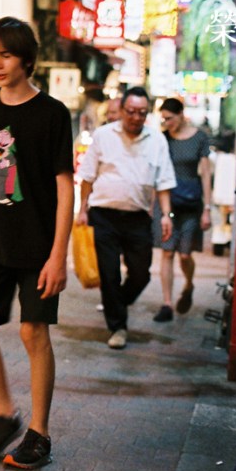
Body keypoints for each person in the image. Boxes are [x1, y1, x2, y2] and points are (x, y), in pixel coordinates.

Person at [0, 17, 74, 469]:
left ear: (27, 60)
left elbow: (65, 186)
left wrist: (59, 255)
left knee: (33, 331)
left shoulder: (52, 113)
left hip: (38, 241)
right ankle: (4, 413)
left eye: (6, 55)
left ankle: (39, 434)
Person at [77, 86, 175, 349]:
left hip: (138, 217)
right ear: (121, 110)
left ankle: (116, 302)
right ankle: (118, 327)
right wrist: (82, 209)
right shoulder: (103, 136)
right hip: (104, 216)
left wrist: (167, 215)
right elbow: (87, 177)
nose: (136, 117)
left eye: (142, 113)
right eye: (131, 111)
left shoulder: (157, 140)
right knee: (109, 274)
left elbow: (164, 182)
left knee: (141, 274)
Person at [154, 98, 212, 321]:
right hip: (167, 203)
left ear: (181, 114)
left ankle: (188, 285)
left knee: (185, 254)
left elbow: (205, 173)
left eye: (169, 118)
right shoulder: (163, 139)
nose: (167, 123)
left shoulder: (199, 138)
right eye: (163, 119)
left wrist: (207, 208)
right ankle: (167, 303)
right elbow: (157, 172)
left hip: (191, 203)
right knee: (167, 252)